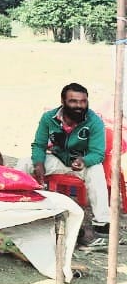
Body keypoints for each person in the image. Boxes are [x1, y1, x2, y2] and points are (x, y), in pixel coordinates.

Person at [29, 83, 110, 233]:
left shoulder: (94, 121)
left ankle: (102, 222)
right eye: (73, 101)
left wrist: (84, 161)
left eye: (83, 101)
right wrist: (38, 163)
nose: (79, 106)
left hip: (82, 163)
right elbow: (39, 145)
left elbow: (98, 153)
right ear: (63, 101)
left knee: (97, 171)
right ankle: (14, 207)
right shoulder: (49, 118)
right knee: (25, 163)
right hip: (57, 158)